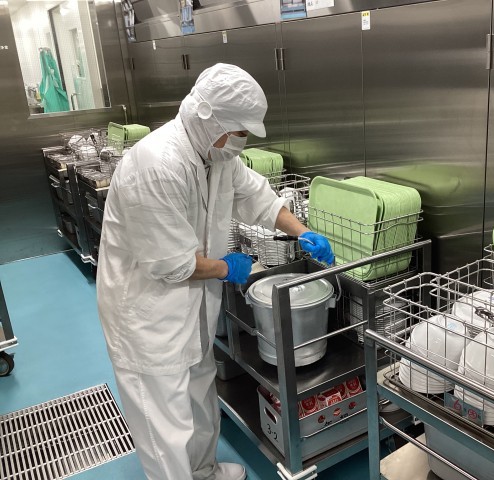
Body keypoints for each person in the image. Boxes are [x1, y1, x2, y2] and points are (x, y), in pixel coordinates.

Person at [96, 63, 334, 480]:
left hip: (191, 304)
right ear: (209, 118)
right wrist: (226, 267)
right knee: (165, 423)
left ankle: (204, 472)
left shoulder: (217, 155)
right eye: (239, 131)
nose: (242, 141)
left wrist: (302, 231)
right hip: (147, 314)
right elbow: (170, 263)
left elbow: (258, 197)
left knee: (199, 397)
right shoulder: (155, 165)